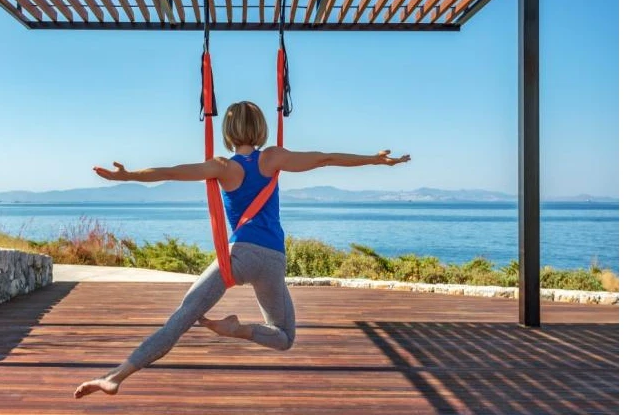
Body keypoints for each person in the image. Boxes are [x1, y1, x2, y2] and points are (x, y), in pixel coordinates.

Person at [73, 101, 411, 398]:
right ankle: (239, 330)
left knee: (181, 318)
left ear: (228, 131)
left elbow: (171, 173)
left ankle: (116, 376)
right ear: (261, 128)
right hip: (272, 259)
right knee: (284, 337)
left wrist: (127, 176)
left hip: (237, 256)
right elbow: (325, 159)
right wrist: (374, 160)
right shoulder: (273, 158)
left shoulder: (222, 167)